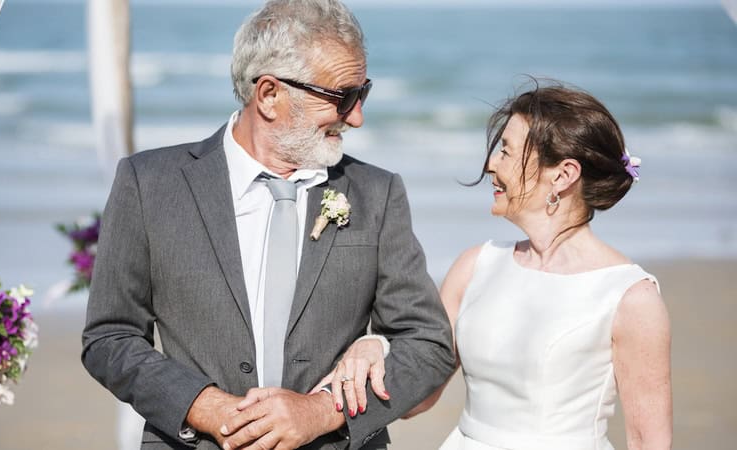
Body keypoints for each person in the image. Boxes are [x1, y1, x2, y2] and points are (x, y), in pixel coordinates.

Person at [81, 1, 455, 449]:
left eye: (363, 93)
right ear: (270, 95)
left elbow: (428, 344)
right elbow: (109, 336)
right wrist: (206, 407)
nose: (356, 116)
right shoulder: (149, 184)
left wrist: (321, 411)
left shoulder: (377, 193)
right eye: (344, 97)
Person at [323, 82, 673, 450]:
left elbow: (647, 441)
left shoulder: (631, 298)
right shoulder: (475, 266)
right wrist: (375, 345)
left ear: (563, 175)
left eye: (506, 150)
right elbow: (419, 396)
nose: (491, 164)